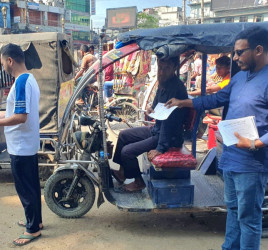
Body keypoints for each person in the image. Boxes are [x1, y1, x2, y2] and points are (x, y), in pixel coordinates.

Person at [166, 26, 268, 249]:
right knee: (231, 209)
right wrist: (182, 102)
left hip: (251, 163)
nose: (235, 57)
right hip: (230, 157)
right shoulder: (239, 79)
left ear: (259, 50)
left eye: (240, 52)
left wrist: (256, 143)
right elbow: (215, 100)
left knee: (248, 218)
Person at [0, 43, 42, 246]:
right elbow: (19, 113)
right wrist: (3, 115)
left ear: (10, 60)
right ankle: (36, 221)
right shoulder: (30, 79)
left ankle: (32, 229)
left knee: (25, 188)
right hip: (27, 142)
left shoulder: (21, 82)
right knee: (32, 186)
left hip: (20, 143)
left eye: (2, 63)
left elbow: (20, 117)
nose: (2, 67)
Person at [111, 56, 188, 192]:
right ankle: (122, 172)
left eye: (166, 69)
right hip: (157, 129)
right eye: (160, 68)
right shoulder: (164, 83)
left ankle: (138, 182)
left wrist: (160, 148)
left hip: (169, 137)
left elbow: (168, 123)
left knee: (127, 152)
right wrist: (151, 109)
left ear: (174, 68)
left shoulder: (176, 88)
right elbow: (156, 105)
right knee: (123, 135)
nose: (161, 72)